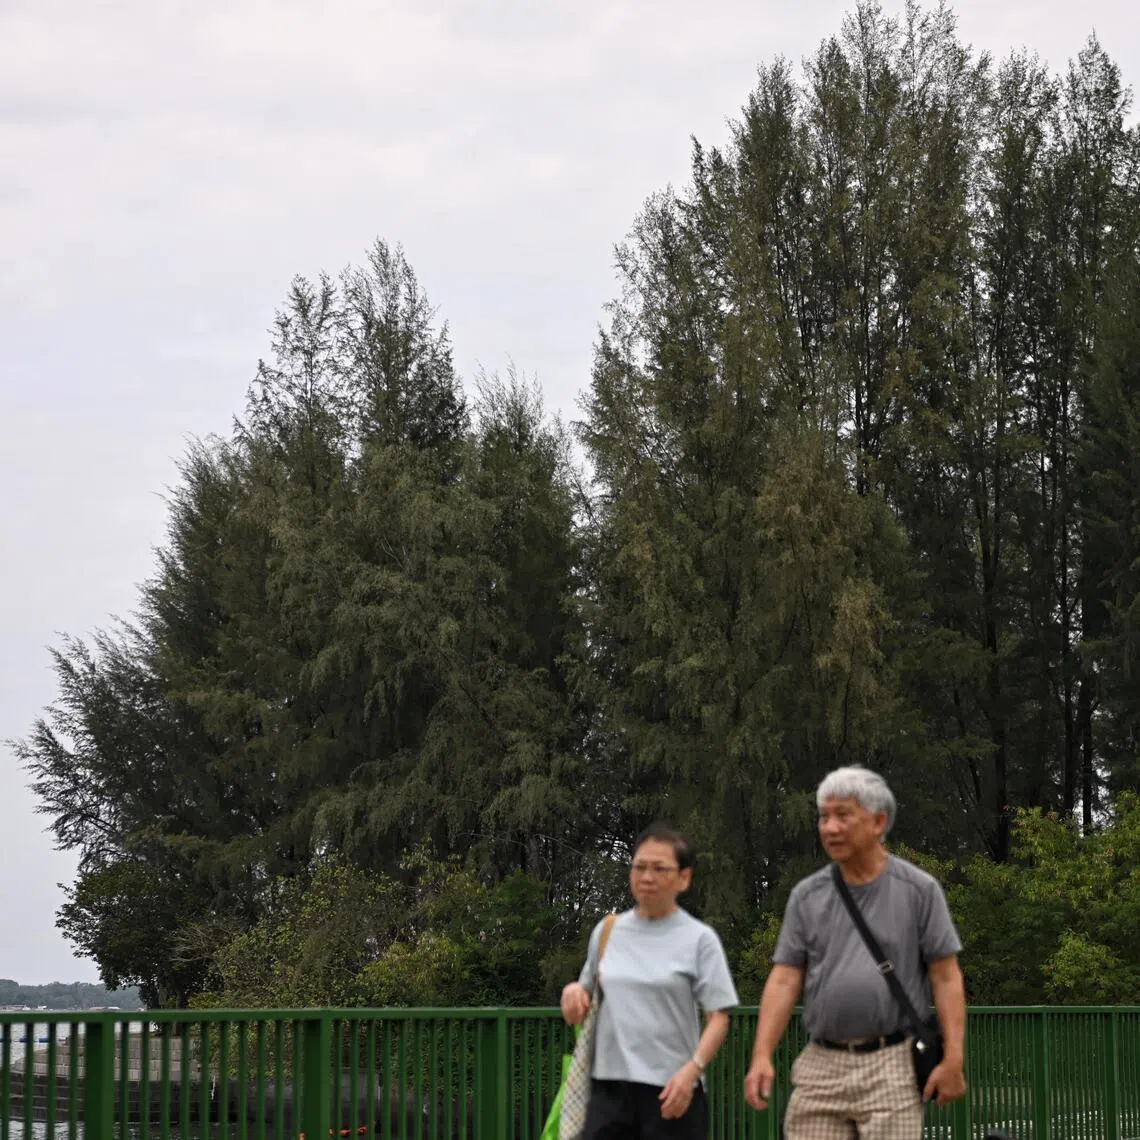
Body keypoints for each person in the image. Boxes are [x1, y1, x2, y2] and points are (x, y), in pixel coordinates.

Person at [743, 766, 967, 1139]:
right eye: (824, 817)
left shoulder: (919, 890)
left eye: (843, 816)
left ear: (879, 822)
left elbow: (946, 976)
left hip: (892, 1063)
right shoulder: (807, 895)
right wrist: (762, 1054)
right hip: (820, 1063)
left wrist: (954, 1057)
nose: (830, 828)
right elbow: (784, 978)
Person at [560, 823, 739, 1139]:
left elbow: (719, 1019)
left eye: (660, 869)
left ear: (684, 878)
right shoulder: (607, 931)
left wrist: (692, 1072)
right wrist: (572, 993)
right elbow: (579, 1005)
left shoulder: (700, 939)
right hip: (608, 1091)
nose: (647, 877)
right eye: (639, 867)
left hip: (673, 1090)